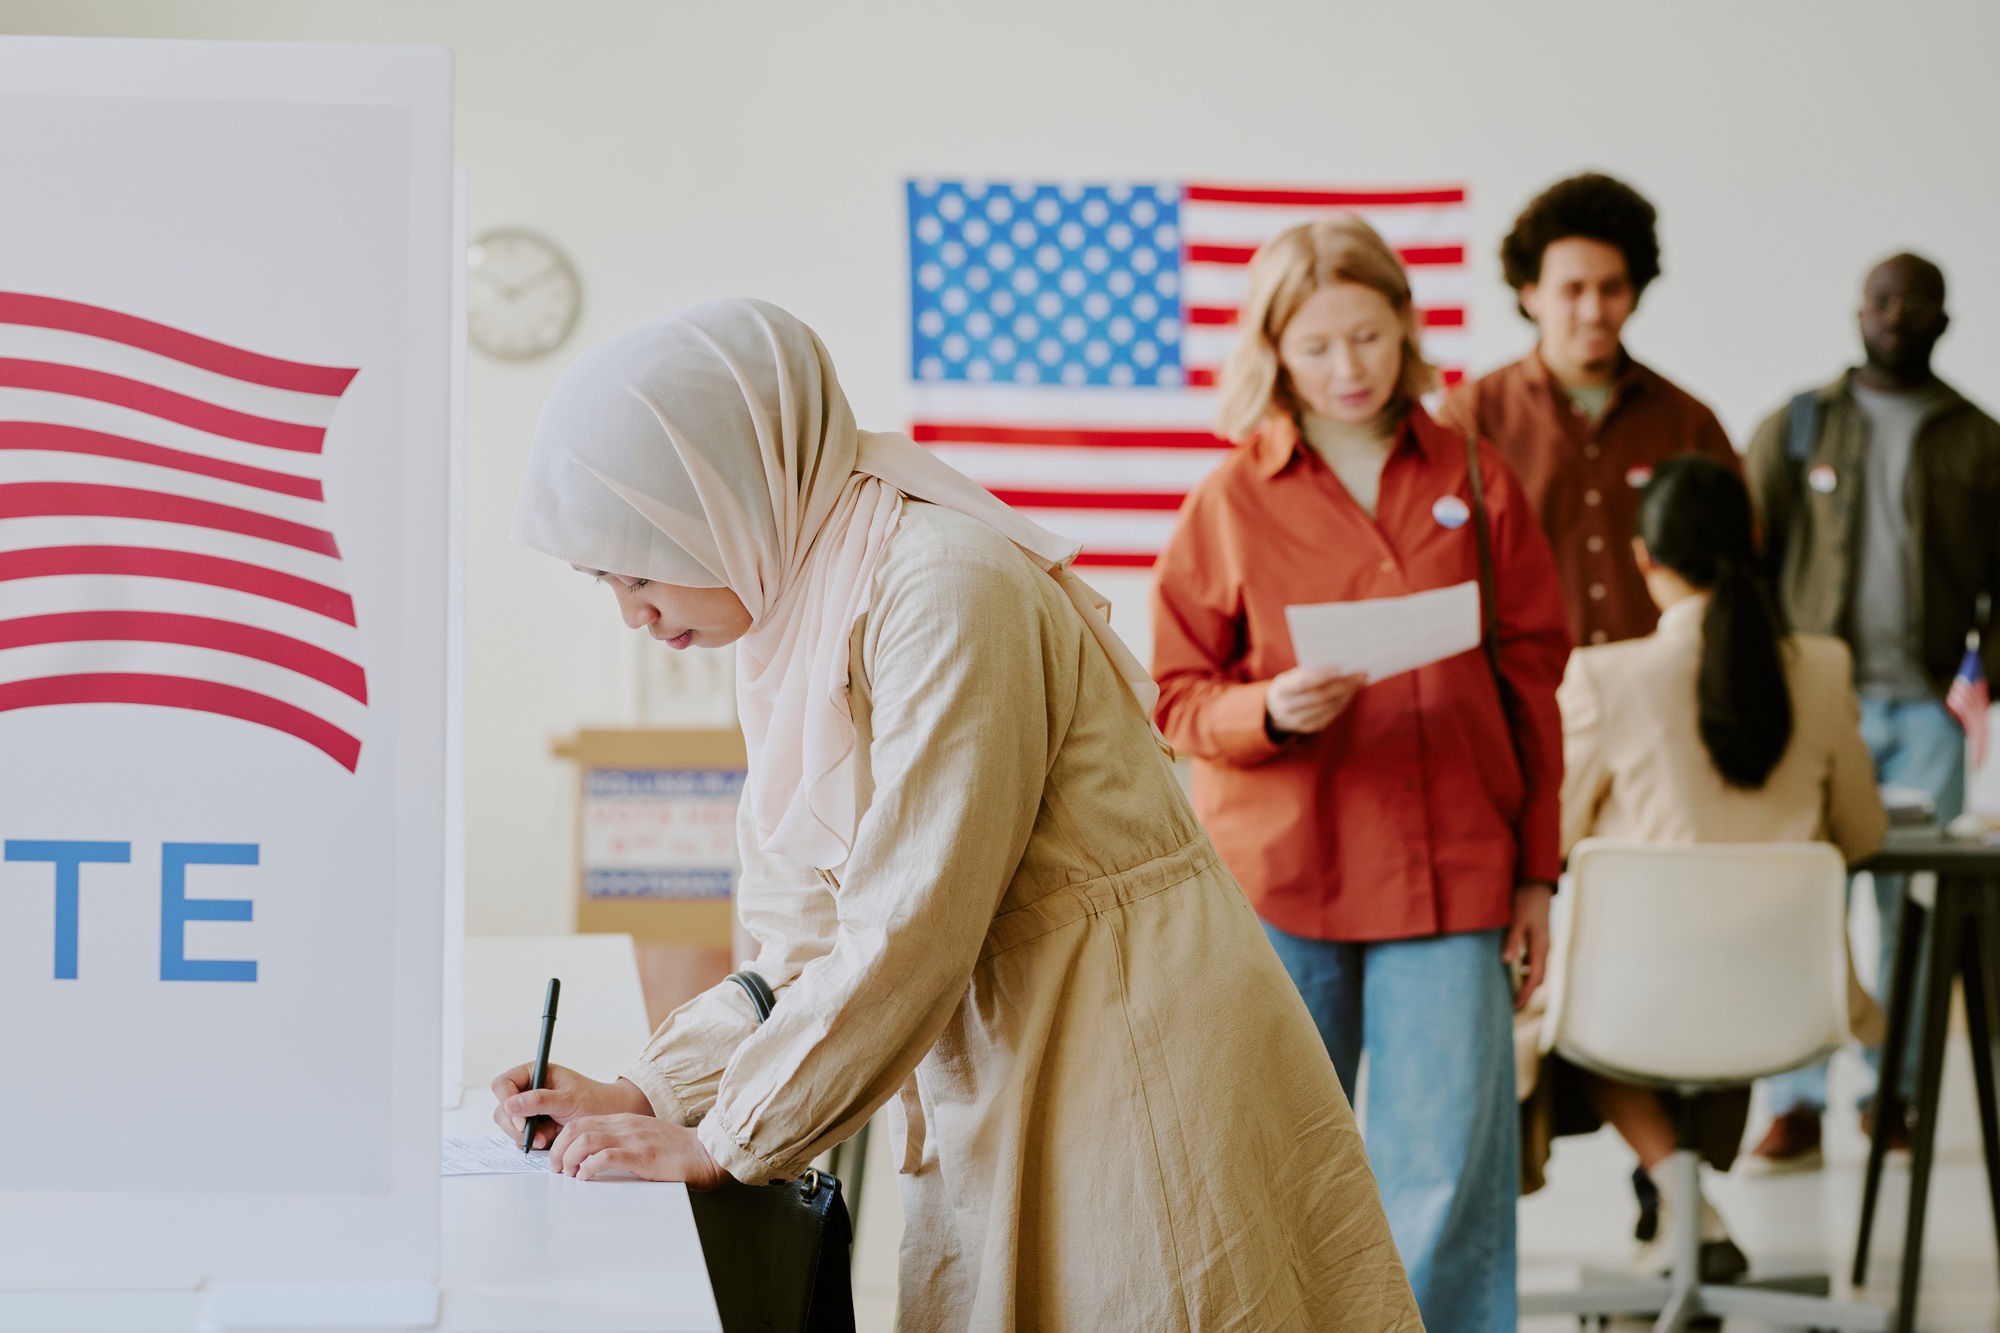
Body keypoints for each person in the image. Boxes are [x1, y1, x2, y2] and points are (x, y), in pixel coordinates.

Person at [493, 299, 1421, 1331]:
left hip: (1129, 1056)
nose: (631, 610)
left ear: (729, 498)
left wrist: (731, 1139)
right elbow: (804, 942)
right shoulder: (798, 619)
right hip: (1014, 1057)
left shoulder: (943, 586)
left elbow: (910, 922)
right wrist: (650, 1089)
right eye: (601, 579)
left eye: (639, 566)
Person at [1151, 214, 1571, 1332]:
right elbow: (1170, 696)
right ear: (1273, 353)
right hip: (1285, 882)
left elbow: (1532, 687)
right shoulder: (1224, 502)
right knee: (1276, 1170)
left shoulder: (1476, 477)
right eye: (1317, 347)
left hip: (1456, 878)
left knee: (1446, 1182)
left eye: (1368, 340)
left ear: (1404, 332)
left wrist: (1537, 875)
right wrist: (1266, 710)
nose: (1346, 370)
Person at [1549, 454, 1887, 1275]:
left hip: (1633, 1004)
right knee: (1709, 987)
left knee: (1546, 1008)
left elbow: (1551, 838)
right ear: (1756, 542)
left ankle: (1679, 1192)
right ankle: (1687, 1206)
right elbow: (1865, 834)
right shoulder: (1824, 666)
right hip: (1785, 997)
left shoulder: (1606, 675)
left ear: (1645, 559)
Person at [1743, 252, 2000, 1171]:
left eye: (1916, 303)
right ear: (1860, 310)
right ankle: (1796, 1102)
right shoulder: (1800, 423)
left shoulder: (1979, 439)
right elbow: (1747, 562)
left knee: (1910, 912)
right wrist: (1766, 682)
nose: (1897, 315)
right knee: (1806, 900)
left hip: (1928, 710)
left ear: (1943, 318)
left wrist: (1983, 678)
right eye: (1883, 299)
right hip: (1815, 713)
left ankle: (1894, 1094)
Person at [1438, 172, 1738, 649]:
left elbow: (1737, 566)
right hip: (1530, 699)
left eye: (1611, 288)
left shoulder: (1688, 421)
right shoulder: (1473, 417)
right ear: (1530, 294)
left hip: (1658, 697)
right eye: (1572, 289)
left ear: (1635, 292)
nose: (1594, 310)